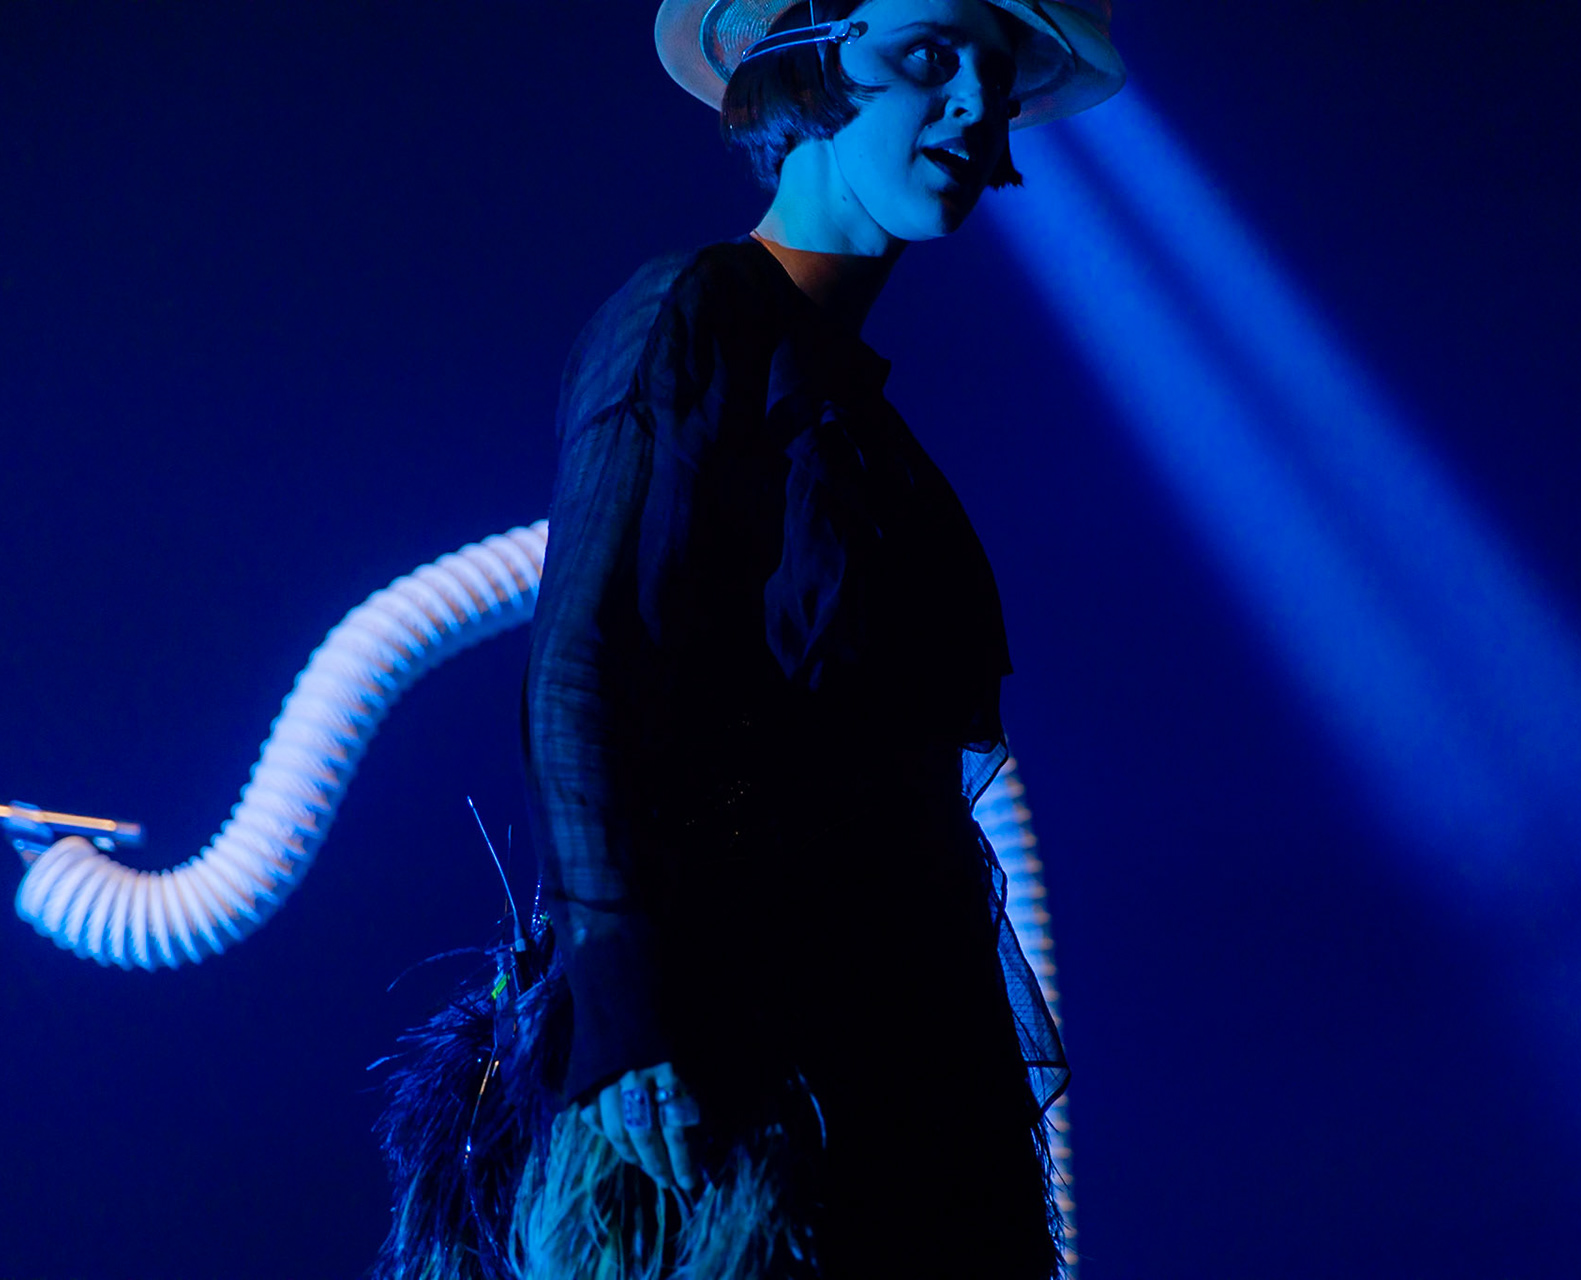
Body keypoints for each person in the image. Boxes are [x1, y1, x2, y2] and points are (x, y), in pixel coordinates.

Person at [375, 2, 1122, 1277]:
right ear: (810, 64)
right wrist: (626, 1016)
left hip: (902, 1044)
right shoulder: (696, 313)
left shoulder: (867, 425)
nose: (968, 101)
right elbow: (584, 664)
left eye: (993, 77)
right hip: (741, 1052)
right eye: (927, 52)